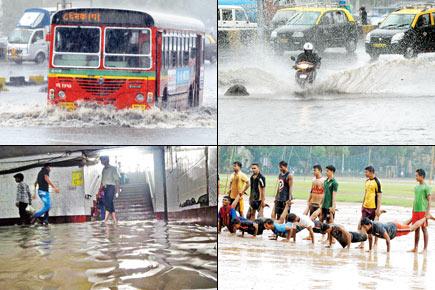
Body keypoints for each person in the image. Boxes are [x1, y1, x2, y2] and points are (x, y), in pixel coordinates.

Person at [360, 215, 435, 253]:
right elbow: (370, 238)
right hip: (392, 226)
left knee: (411, 229)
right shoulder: (368, 228)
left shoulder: (377, 226)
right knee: (404, 225)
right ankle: (413, 217)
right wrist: (370, 250)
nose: (363, 229)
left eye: (364, 227)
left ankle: (426, 217)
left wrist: (388, 253)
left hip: (395, 229)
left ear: (369, 224)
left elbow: (388, 239)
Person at [358, 166, 382, 248]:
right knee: (362, 225)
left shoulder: (377, 182)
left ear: (371, 172)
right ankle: (362, 243)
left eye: (366, 172)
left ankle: (375, 243)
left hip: (373, 208)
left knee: (375, 226)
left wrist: (378, 209)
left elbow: (379, 196)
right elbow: (365, 194)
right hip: (365, 207)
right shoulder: (367, 181)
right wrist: (362, 205)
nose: (365, 174)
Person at [409, 169, 431, 253]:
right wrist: (413, 209)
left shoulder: (426, 187)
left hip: (423, 211)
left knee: (424, 229)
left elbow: (429, 200)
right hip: (416, 211)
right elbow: (416, 199)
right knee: (416, 229)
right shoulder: (416, 187)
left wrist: (427, 212)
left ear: (422, 176)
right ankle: (415, 247)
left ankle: (425, 249)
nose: (416, 177)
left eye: (417, 176)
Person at [100, 156, 121, 224]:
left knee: (108, 203)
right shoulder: (103, 169)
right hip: (105, 188)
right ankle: (115, 220)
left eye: (102, 160)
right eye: (101, 160)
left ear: (107, 160)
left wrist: (117, 190)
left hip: (111, 187)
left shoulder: (113, 168)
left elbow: (117, 180)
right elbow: (102, 181)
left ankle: (105, 220)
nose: (101, 162)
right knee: (110, 203)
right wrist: (100, 189)